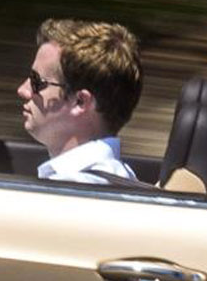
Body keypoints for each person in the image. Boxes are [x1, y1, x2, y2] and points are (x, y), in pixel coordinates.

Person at [20, 19, 142, 185]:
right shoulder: (120, 177)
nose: (23, 90)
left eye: (37, 81)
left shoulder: (73, 189)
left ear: (80, 102)